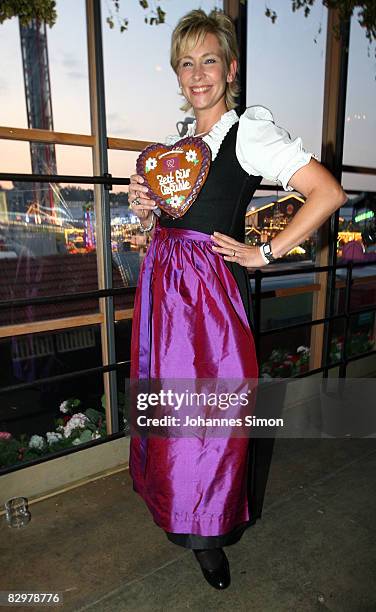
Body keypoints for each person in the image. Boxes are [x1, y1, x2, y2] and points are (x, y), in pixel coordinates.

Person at [128, 9, 346, 590]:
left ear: (230, 69)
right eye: (186, 63)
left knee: (212, 416)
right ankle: (179, 508)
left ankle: (209, 534)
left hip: (205, 296)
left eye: (208, 60)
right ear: (177, 74)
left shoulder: (248, 132)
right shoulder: (180, 144)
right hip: (164, 286)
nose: (197, 74)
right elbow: (177, 215)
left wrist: (267, 253)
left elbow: (326, 193)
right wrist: (148, 209)